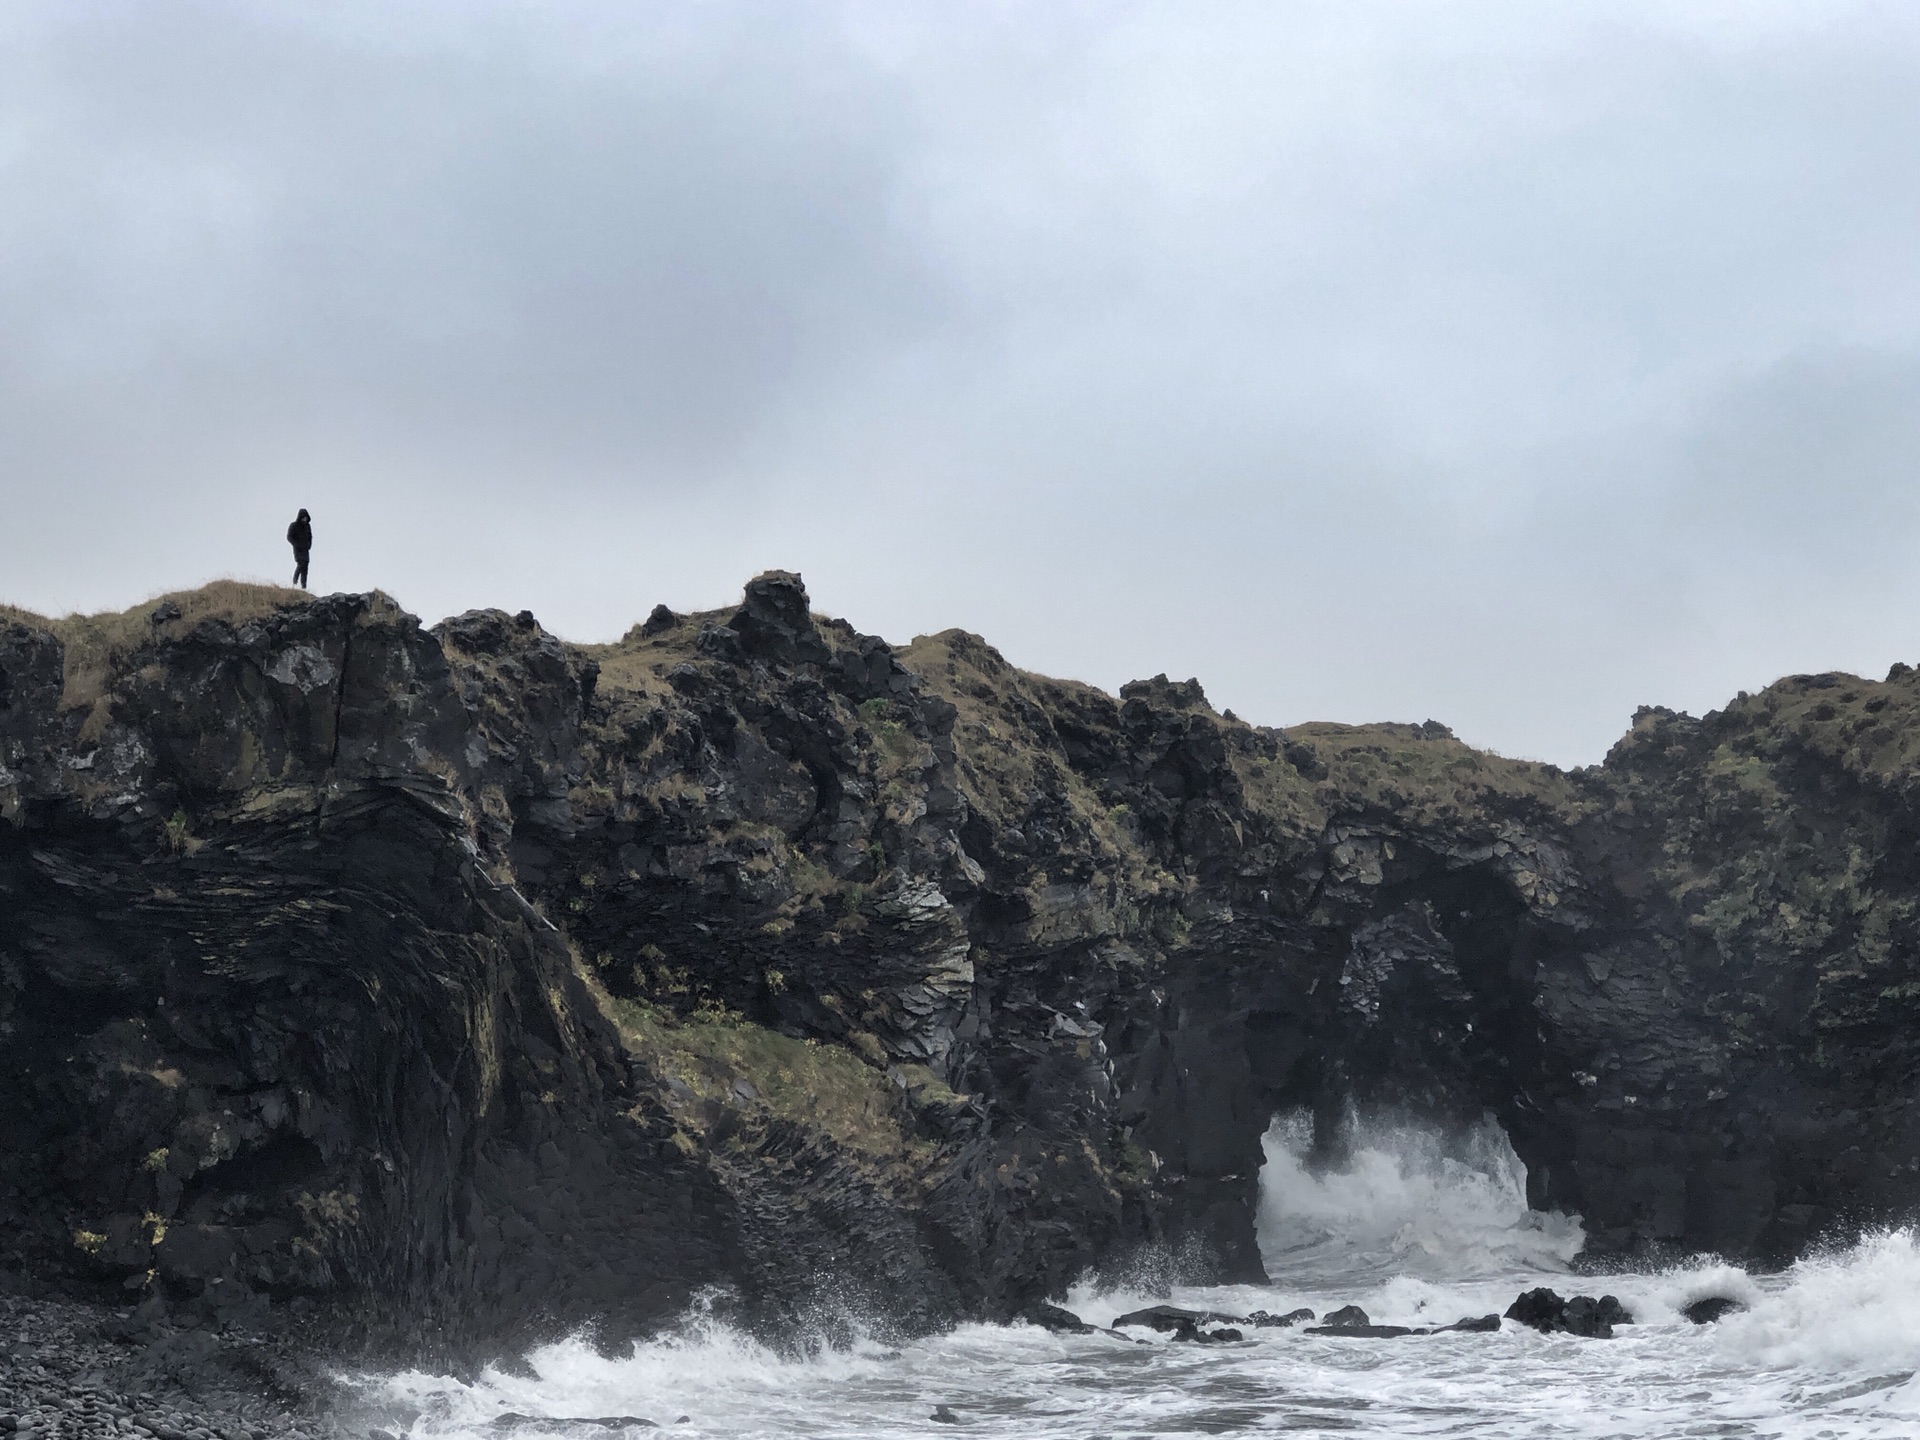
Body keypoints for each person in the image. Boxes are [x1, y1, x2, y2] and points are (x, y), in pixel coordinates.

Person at [287, 508, 312, 588]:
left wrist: (309, 545)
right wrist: (296, 545)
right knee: (300, 565)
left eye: (306, 518)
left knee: (305, 568)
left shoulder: (308, 526)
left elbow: (310, 537)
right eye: (303, 518)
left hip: (305, 550)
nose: (305, 519)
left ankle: (304, 586)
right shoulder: (293, 525)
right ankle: (294, 582)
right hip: (298, 550)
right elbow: (289, 537)